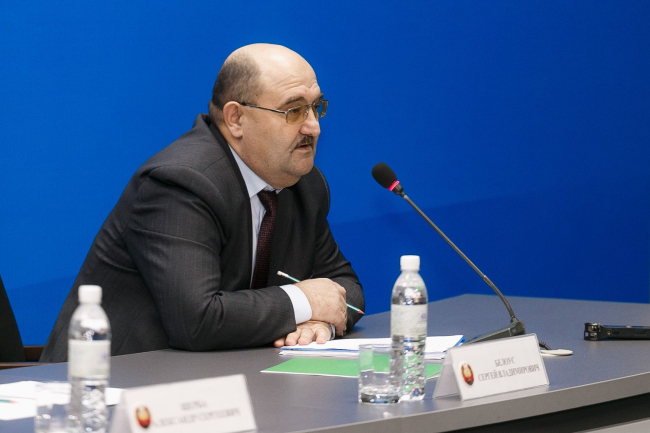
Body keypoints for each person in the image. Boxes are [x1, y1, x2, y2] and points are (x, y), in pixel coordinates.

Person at [41, 43, 364, 362]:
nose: (313, 126)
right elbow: (197, 320)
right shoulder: (181, 183)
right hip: (110, 383)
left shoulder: (303, 185)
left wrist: (319, 321)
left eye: (316, 107)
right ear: (236, 118)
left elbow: (346, 290)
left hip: (223, 379)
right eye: (293, 111)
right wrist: (304, 302)